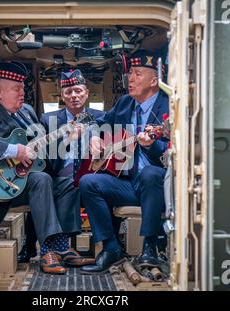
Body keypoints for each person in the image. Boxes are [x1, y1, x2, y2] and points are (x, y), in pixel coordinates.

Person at [0, 61, 88, 274]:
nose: (22, 93)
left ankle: (62, 245)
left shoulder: (26, 111)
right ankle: (47, 250)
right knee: (41, 180)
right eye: (17, 89)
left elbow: (42, 148)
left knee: (69, 182)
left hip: (26, 180)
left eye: (23, 88)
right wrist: (16, 151)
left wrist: (66, 139)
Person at [79, 50, 170, 274]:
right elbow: (97, 122)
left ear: (154, 80)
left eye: (138, 74)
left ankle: (150, 247)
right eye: (130, 73)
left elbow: (174, 152)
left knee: (151, 173)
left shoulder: (170, 106)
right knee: (88, 182)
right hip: (129, 184)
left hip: (161, 185)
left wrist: (153, 145)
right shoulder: (124, 103)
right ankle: (111, 249)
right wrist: (93, 137)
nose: (130, 79)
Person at [17, 69, 104, 265]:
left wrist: (96, 136)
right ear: (62, 95)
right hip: (57, 175)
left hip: (90, 179)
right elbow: (42, 155)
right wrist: (66, 141)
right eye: (68, 92)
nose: (74, 96)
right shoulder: (48, 120)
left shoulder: (100, 117)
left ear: (87, 93)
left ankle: (107, 247)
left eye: (78, 91)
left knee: (79, 184)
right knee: (49, 184)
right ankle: (60, 247)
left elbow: (107, 132)